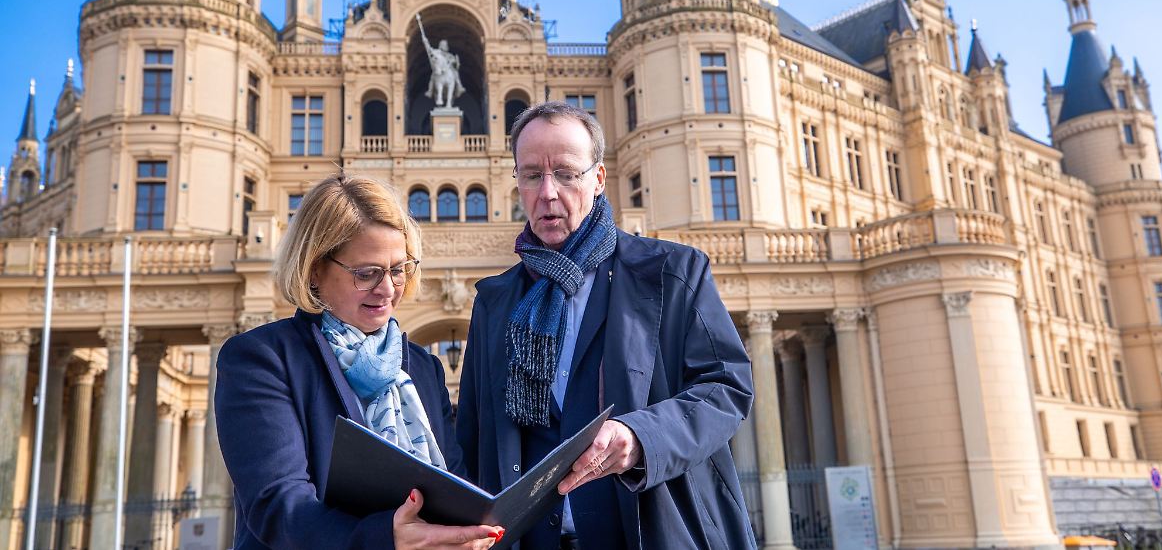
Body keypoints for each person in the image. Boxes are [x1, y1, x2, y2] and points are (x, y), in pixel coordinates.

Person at [456, 102, 756, 549]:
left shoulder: (672, 273)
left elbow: (727, 387)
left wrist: (641, 438)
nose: (548, 192)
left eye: (566, 174)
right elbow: (473, 439)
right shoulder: (495, 302)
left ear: (598, 179)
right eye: (532, 175)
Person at [215, 174, 503, 550]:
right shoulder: (262, 359)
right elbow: (280, 507)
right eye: (366, 274)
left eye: (398, 270)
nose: (387, 289)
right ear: (314, 268)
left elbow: (456, 485)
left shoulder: (423, 368)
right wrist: (387, 538)